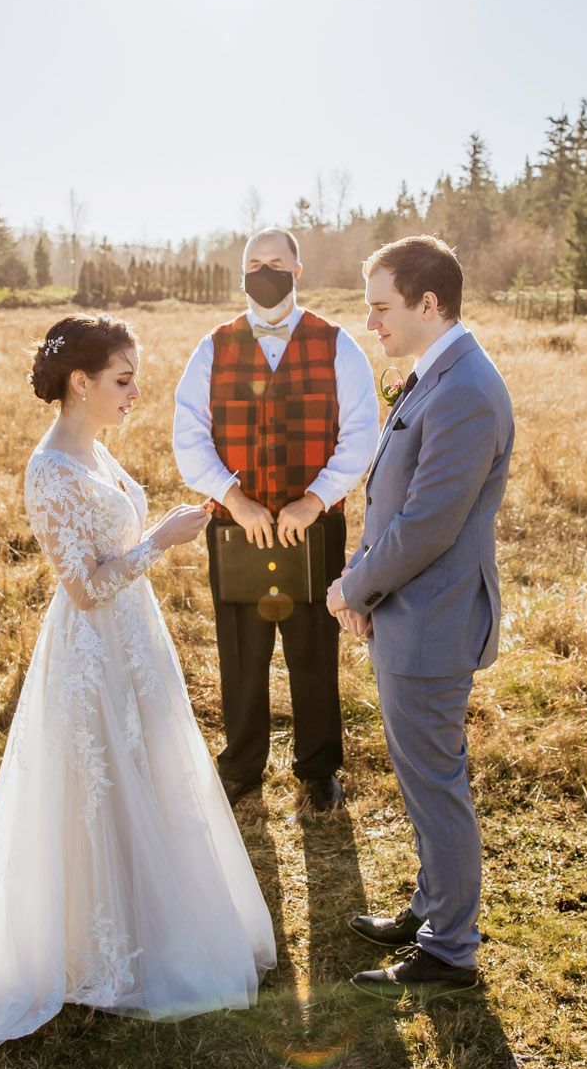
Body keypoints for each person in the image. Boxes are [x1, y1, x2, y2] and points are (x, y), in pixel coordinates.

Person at [0, 314, 275, 1069]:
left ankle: (151, 911)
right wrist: (158, 543)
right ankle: (90, 938)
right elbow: (83, 586)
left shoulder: (97, 449)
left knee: (152, 774)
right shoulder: (49, 471)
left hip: (135, 641)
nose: (136, 392)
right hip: (92, 649)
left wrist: (151, 539)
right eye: (124, 379)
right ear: (81, 382)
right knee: (99, 784)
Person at [327, 236, 514, 1001]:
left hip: (431, 619)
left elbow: (427, 524)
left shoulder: (466, 388)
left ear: (426, 304)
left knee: (436, 783)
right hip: (412, 613)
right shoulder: (438, 376)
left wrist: (352, 590)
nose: (370, 321)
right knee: (421, 776)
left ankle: (451, 949)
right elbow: (397, 499)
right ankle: (433, 909)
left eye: (380, 305)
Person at [172, 228, 381, 812]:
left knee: (314, 647)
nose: (264, 272)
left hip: (312, 526)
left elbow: (361, 435)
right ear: (242, 273)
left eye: (275, 263)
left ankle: (318, 770)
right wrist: (233, 499)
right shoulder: (213, 347)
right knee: (241, 651)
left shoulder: (337, 344)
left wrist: (314, 500)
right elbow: (188, 436)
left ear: (297, 271)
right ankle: (242, 765)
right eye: (254, 264)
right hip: (236, 528)